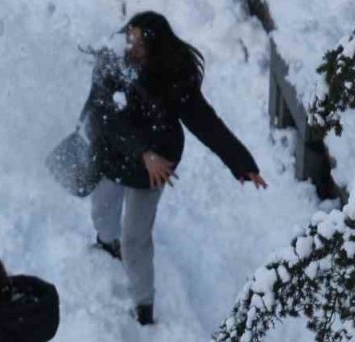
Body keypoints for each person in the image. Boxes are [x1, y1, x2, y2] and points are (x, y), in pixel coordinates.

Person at [85, 11, 267, 325]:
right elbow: (106, 118)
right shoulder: (111, 61)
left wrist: (241, 162)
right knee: (103, 210)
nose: (131, 46)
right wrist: (142, 152)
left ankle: (143, 305)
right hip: (114, 154)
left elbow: (205, 122)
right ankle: (106, 243)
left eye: (139, 42)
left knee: (136, 238)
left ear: (155, 49)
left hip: (155, 166)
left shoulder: (172, 75)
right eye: (130, 37)